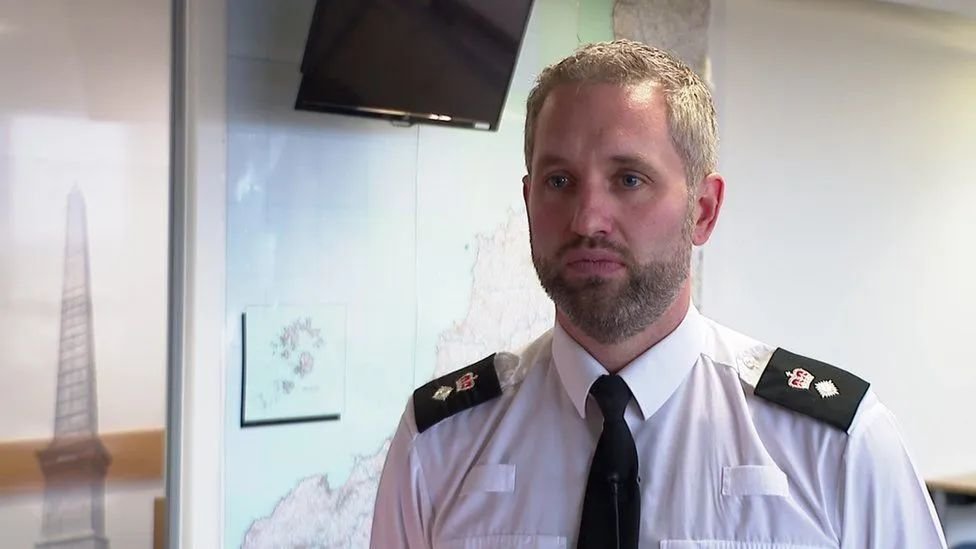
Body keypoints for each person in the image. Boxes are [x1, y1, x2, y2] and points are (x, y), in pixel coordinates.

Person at [370, 39, 947, 549]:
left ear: (704, 210)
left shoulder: (834, 448)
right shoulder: (440, 444)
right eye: (559, 181)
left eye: (629, 180)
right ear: (528, 202)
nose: (587, 219)